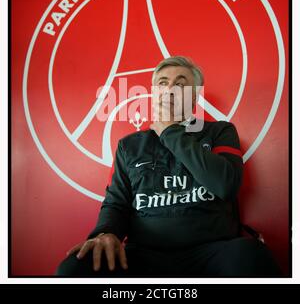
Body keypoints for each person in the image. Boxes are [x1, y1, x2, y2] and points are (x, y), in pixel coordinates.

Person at [56, 56, 282, 277]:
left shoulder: (220, 132)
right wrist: (105, 233)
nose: (170, 89)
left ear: (193, 98)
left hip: (212, 251)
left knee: (252, 256)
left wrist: (169, 131)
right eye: (162, 83)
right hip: (143, 255)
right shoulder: (129, 145)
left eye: (180, 84)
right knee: (75, 267)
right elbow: (116, 203)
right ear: (154, 94)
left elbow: (225, 184)